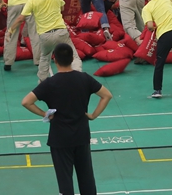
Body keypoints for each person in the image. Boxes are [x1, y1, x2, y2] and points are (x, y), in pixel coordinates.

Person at [21, 43, 112, 195]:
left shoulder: (49, 83)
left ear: (54, 60)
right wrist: (93, 115)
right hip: (81, 135)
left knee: (65, 181)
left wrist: (45, 114)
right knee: (87, 178)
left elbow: (26, 102)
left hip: (60, 138)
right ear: (72, 59)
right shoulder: (84, 79)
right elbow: (107, 95)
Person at [8, 0, 83, 83]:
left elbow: (20, 18)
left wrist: (10, 30)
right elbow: (62, 8)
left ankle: (42, 81)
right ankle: (78, 77)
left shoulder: (32, 1)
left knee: (44, 58)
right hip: (61, 32)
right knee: (74, 56)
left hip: (45, 36)